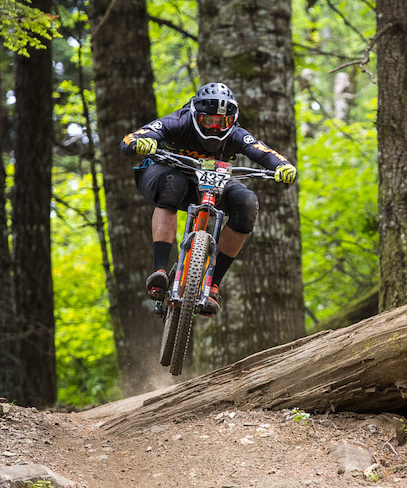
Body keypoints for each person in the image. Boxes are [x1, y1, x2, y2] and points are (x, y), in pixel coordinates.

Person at [120, 82, 297, 315]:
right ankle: (160, 272)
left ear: (232, 122)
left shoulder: (236, 135)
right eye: (208, 121)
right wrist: (140, 143)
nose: (215, 128)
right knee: (175, 184)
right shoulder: (178, 121)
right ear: (195, 115)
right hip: (162, 174)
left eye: (222, 122)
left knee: (247, 203)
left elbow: (262, 151)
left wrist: (283, 166)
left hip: (211, 180)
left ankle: (212, 285)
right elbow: (131, 138)